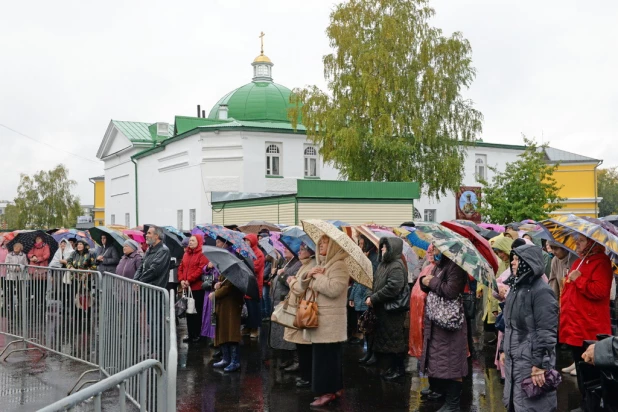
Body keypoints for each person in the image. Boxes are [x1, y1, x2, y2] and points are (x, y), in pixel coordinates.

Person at [499, 244, 559, 412]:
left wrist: (541, 365)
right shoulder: (516, 288)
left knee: (532, 405)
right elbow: (509, 324)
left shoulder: (542, 292)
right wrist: (503, 349)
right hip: (515, 360)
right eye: (513, 259)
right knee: (516, 402)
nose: (513, 263)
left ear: (529, 262)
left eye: (518, 260)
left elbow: (546, 332)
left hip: (530, 361)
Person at [293, 235, 350, 407]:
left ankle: (326, 392)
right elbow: (302, 288)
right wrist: (308, 276)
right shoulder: (322, 265)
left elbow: (334, 289)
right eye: (319, 243)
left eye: (325, 243)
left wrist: (317, 277)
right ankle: (336, 388)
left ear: (333, 246)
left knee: (325, 357)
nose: (320, 246)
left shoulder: (339, 265)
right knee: (328, 355)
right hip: (320, 318)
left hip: (330, 321)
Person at [559, 234, 613, 392]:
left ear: (592, 243)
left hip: (590, 327)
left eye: (582, 240)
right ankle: (584, 402)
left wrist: (579, 280)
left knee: (592, 374)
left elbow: (600, 291)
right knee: (581, 368)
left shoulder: (601, 262)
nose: (577, 242)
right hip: (576, 325)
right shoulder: (579, 261)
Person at [419, 253, 468, 412]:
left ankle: (453, 404)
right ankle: (441, 391)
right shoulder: (441, 264)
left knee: (452, 362)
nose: (434, 248)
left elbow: (450, 290)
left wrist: (431, 281)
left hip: (449, 322)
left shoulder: (456, 265)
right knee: (440, 360)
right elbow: (430, 283)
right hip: (437, 320)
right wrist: (423, 281)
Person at [366, 237, 408, 380]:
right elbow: (376, 282)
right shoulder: (383, 264)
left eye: (384, 247)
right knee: (388, 340)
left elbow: (393, 288)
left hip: (393, 311)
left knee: (395, 341)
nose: (381, 249)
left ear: (392, 249)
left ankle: (399, 369)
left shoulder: (396, 265)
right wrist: (370, 295)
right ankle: (391, 368)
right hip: (383, 309)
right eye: (382, 247)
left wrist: (374, 298)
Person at [284, 242, 317, 388]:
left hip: (304, 309)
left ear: (310, 251)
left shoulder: (311, 265)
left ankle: (307, 377)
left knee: (305, 346)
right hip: (300, 308)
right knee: (302, 345)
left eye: (303, 250)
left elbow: (299, 289)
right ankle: (305, 375)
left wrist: (291, 281)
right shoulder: (305, 264)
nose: (299, 252)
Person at [269, 245, 301, 366]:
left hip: (289, 303)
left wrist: (282, 275)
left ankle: (296, 360)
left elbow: (293, 284)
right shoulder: (287, 263)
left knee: (290, 332)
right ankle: (287, 359)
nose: (285, 250)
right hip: (279, 302)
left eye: (288, 248)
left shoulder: (298, 264)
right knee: (283, 332)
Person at [211, 272, 245, 373]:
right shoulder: (227, 272)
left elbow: (228, 288)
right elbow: (224, 285)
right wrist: (218, 284)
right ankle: (226, 359)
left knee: (231, 333)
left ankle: (235, 361)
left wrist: (215, 294)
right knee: (223, 331)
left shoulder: (234, 274)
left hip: (231, 306)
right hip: (224, 307)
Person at [178, 234, 209, 343]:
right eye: (190, 240)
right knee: (189, 311)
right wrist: (181, 280)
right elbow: (181, 267)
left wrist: (189, 280)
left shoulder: (202, 254)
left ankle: (198, 334)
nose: (190, 242)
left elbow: (200, 270)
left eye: (193, 241)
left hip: (197, 288)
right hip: (187, 287)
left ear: (199, 242)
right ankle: (191, 334)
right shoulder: (186, 253)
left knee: (197, 312)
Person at [357, 234, 379, 365]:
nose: (360, 246)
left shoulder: (374, 258)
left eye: (361, 244)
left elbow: (373, 277)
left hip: (371, 295)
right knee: (366, 326)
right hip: (365, 294)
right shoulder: (367, 256)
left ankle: (372, 353)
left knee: (370, 327)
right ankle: (369, 353)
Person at [244, 234, 264, 339]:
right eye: (245, 240)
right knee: (247, 306)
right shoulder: (245, 251)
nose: (246, 242)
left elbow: (255, 268)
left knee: (254, 307)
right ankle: (247, 326)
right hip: (246, 282)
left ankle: (255, 328)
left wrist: (244, 264)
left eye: (248, 240)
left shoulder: (258, 253)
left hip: (254, 283)